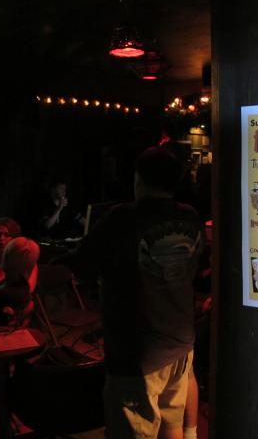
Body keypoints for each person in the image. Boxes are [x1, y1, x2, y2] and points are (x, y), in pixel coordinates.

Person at [69, 146, 204, 439]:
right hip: (180, 343)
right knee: (172, 425)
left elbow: (80, 266)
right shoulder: (191, 218)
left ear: (138, 179)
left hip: (138, 352)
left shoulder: (121, 219)